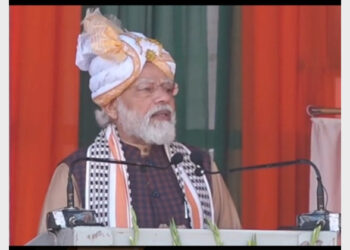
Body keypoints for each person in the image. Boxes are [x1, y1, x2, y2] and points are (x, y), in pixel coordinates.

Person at [38, 8, 241, 234]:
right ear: (112, 106)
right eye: (147, 89)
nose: (163, 98)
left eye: (167, 88)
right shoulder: (77, 172)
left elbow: (234, 238)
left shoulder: (200, 167)